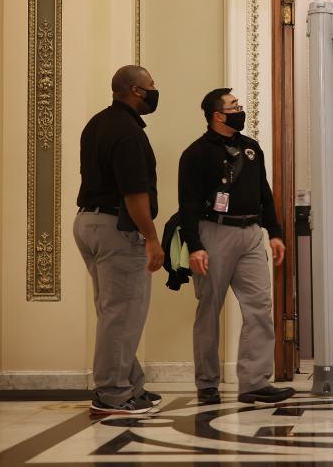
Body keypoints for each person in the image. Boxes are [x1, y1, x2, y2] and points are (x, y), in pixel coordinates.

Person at [178, 88, 294, 405]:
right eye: (233, 106)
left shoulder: (251, 148)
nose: (239, 109)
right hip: (214, 233)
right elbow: (187, 205)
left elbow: (265, 193)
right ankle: (207, 384)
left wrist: (274, 233)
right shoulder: (196, 154)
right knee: (209, 310)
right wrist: (195, 246)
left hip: (251, 233)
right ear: (217, 115)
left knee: (260, 307)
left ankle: (255, 382)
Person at [74, 65, 165, 416]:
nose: (156, 91)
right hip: (117, 227)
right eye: (151, 85)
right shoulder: (128, 132)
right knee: (123, 313)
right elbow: (134, 192)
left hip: (88, 222)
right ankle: (112, 393)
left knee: (115, 312)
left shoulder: (98, 123)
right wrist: (152, 238)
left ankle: (131, 385)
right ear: (137, 91)